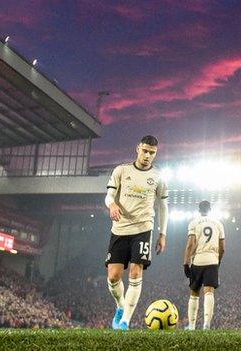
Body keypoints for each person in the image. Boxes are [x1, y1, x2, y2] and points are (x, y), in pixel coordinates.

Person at [104, 135, 169, 330]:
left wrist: (162, 233)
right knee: (113, 276)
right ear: (138, 149)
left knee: (135, 271)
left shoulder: (158, 177)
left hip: (143, 229)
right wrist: (112, 204)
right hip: (120, 229)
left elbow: (164, 206)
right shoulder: (122, 170)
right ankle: (120, 307)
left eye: (152, 153)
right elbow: (109, 195)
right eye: (145, 151)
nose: (148, 155)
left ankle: (125, 322)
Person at [183, 201, 226, 330]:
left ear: (198, 210)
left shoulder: (194, 222)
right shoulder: (218, 224)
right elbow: (222, 248)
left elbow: (190, 244)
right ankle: (206, 325)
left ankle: (191, 326)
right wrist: (218, 262)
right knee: (209, 293)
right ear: (210, 209)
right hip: (212, 260)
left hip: (198, 260)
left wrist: (186, 263)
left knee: (194, 293)